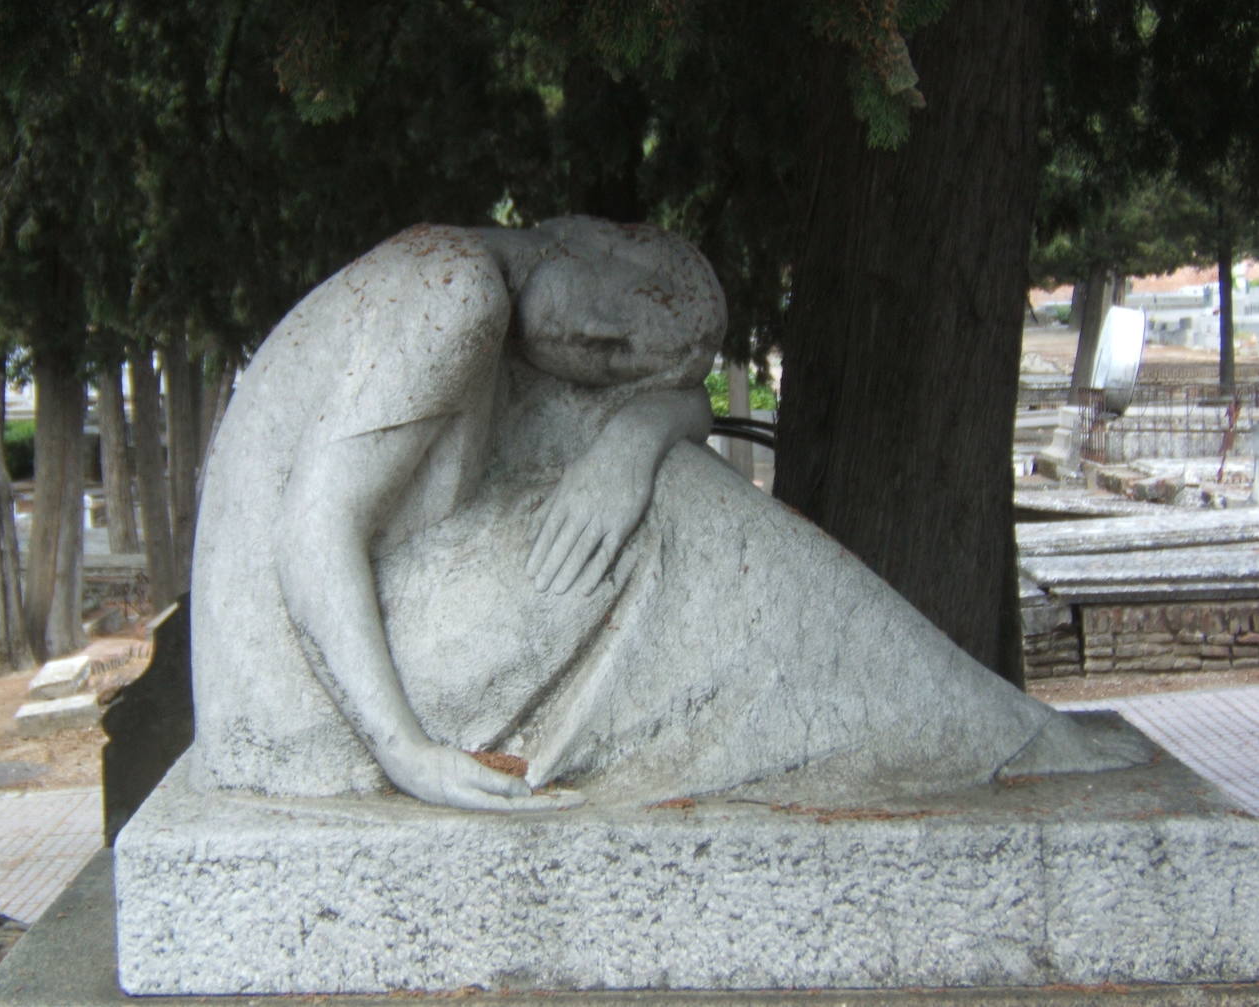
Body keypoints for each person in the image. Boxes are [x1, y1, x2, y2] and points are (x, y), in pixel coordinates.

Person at [189, 218, 1147, 811]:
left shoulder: (492, 292)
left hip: (324, 663)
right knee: (680, 525)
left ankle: (958, 726)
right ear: (594, 239)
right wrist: (407, 753)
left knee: (661, 493)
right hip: (310, 701)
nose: (597, 343)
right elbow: (313, 533)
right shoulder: (452, 289)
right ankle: (962, 734)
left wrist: (640, 428)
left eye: (619, 361)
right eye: (612, 318)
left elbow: (670, 409)